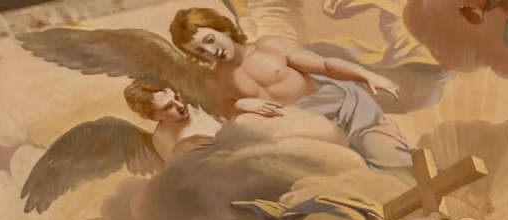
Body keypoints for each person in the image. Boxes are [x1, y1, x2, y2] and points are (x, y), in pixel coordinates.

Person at [168, 6, 406, 166]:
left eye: (210, 40)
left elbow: (325, 65)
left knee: (390, 159)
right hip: (306, 132)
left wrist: (367, 75)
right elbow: (229, 117)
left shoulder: (268, 47)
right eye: (200, 50)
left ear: (225, 29)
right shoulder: (217, 82)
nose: (211, 51)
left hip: (345, 111)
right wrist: (242, 103)